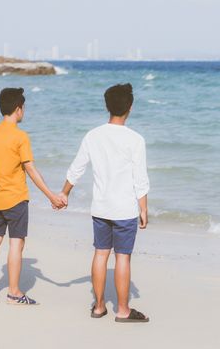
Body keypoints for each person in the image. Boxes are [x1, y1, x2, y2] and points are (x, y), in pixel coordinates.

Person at [60, 83, 150, 322]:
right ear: (130, 107)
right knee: (123, 257)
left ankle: (99, 306)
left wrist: (64, 193)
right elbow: (140, 179)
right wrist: (144, 208)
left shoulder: (93, 135)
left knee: (101, 254)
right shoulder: (135, 140)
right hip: (125, 209)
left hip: (101, 207)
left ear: (107, 106)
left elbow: (77, 168)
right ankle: (123, 310)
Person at [0, 87, 66, 305]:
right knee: (16, 244)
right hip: (16, 199)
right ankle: (14, 292)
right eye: (24, 108)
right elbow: (30, 169)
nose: (24, 111)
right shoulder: (20, 136)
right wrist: (51, 196)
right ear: (18, 109)